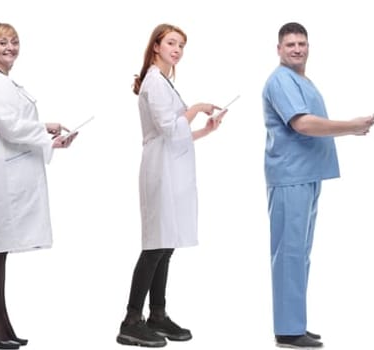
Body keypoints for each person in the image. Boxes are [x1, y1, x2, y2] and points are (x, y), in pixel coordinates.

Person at [261, 22, 374, 349]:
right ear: (279, 49)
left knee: (300, 254)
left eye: (302, 43)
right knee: (289, 253)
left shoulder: (301, 80)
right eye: (290, 44)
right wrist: (350, 126)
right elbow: (303, 123)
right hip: (290, 176)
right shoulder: (280, 80)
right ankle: (287, 329)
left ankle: (295, 323)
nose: (297, 49)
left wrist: (351, 129)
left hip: (308, 174)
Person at [0, 22, 76, 350]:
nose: (11, 47)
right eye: (3, 42)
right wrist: (46, 137)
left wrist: (46, 126)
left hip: (2, 169)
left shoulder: (5, 82)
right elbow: (10, 127)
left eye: (15, 42)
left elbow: (13, 123)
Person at [116, 23, 223, 348]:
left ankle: (157, 315)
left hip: (171, 168)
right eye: (172, 43)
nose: (177, 50)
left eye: (181, 45)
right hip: (159, 170)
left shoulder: (163, 83)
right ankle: (131, 321)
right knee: (154, 246)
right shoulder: (153, 81)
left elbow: (176, 133)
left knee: (167, 244)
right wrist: (196, 107)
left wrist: (205, 130)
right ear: (156, 47)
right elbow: (166, 126)